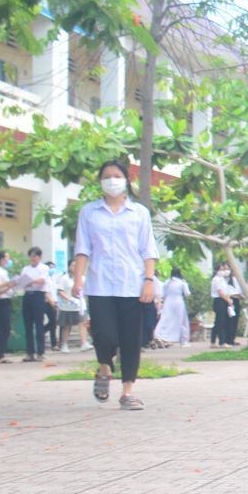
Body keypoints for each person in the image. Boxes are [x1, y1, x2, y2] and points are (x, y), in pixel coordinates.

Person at [71, 159, 161, 410]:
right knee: (104, 334)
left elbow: (148, 249)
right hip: (100, 284)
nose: (112, 181)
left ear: (126, 180)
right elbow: (83, 248)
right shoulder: (89, 212)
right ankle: (103, 368)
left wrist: (149, 280)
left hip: (131, 283)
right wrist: (78, 280)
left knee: (131, 339)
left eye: (117, 176)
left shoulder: (139, 213)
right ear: (100, 182)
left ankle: (127, 392)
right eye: (107, 176)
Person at [11, 247, 53, 362]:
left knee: (39, 324)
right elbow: (22, 282)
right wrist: (26, 282)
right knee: (28, 325)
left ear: (39, 257)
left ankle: (40, 352)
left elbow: (41, 281)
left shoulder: (43, 268)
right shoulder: (26, 269)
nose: (33, 258)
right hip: (28, 296)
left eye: (35, 256)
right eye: (31, 256)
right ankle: (30, 352)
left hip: (38, 295)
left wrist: (31, 282)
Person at [155, 265, 192, 346]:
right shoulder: (182, 282)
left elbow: (163, 294)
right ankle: (183, 341)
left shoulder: (167, 282)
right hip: (178, 302)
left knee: (165, 319)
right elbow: (187, 293)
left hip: (168, 302)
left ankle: (159, 334)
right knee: (182, 321)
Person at [209, 262, 237, 347]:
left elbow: (226, 291)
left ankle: (213, 341)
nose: (223, 271)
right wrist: (228, 300)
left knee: (219, 322)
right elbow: (220, 292)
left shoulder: (222, 279)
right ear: (216, 270)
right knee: (220, 322)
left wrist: (228, 299)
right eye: (221, 270)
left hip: (224, 301)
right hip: (219, 301)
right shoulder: (216, 279)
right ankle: (222, 342)